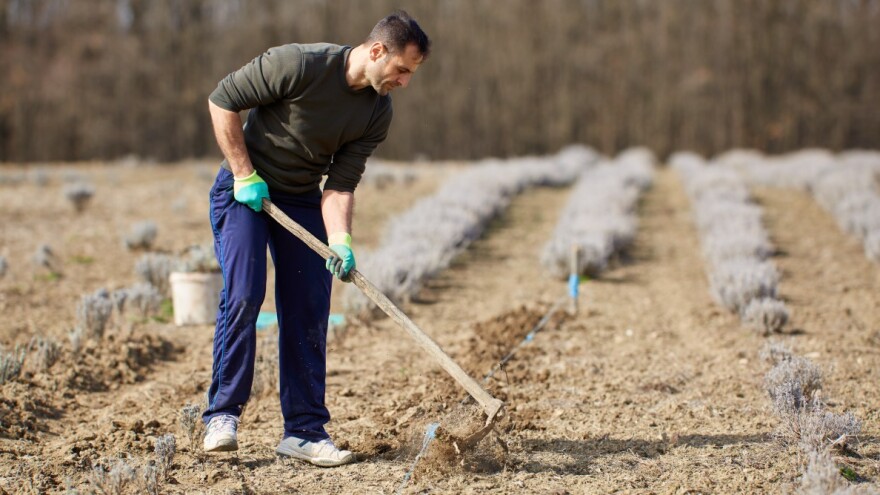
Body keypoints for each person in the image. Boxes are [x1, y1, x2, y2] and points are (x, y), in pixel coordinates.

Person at [202, 11, 430, 467]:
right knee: (245, 293)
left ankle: (303, 431)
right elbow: (222, 100)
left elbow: (340, 186)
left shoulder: (376, 113)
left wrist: (341, 240)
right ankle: (222, 415)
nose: (405, 82)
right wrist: (245, 175)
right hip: (243, 194)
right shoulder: (299, 65)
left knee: (309, 306)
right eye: (403, 70)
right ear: (377, 51)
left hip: (301, 201)